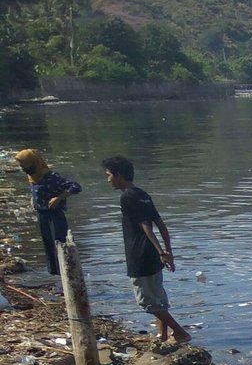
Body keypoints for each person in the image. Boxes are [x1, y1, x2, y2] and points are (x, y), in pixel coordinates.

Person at [101, 155, 190, 350]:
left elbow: (146, 227)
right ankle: (162, 335)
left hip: (140, 255)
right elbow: (161, 225)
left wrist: (161, 252)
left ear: (119, 175)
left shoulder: (126, 197)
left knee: (147, 302)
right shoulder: (142, 194)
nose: (108, 180)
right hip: (152, 256)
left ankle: (180, 333)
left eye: (109, 175)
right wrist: (167, 252)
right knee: (158, 298)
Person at [14, 149, 81, 277]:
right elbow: (38, 191)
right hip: (42, 215)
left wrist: (59, 197)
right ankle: (55, 277)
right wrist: (33, 199)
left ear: (34, 162)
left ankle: (68, 274)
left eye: (25, 165)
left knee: (59, 245)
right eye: (21, 166)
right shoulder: (33, 177)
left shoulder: (51, 177)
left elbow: (76, 187)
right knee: (49, 246)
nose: (23, 168)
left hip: (54, 216)